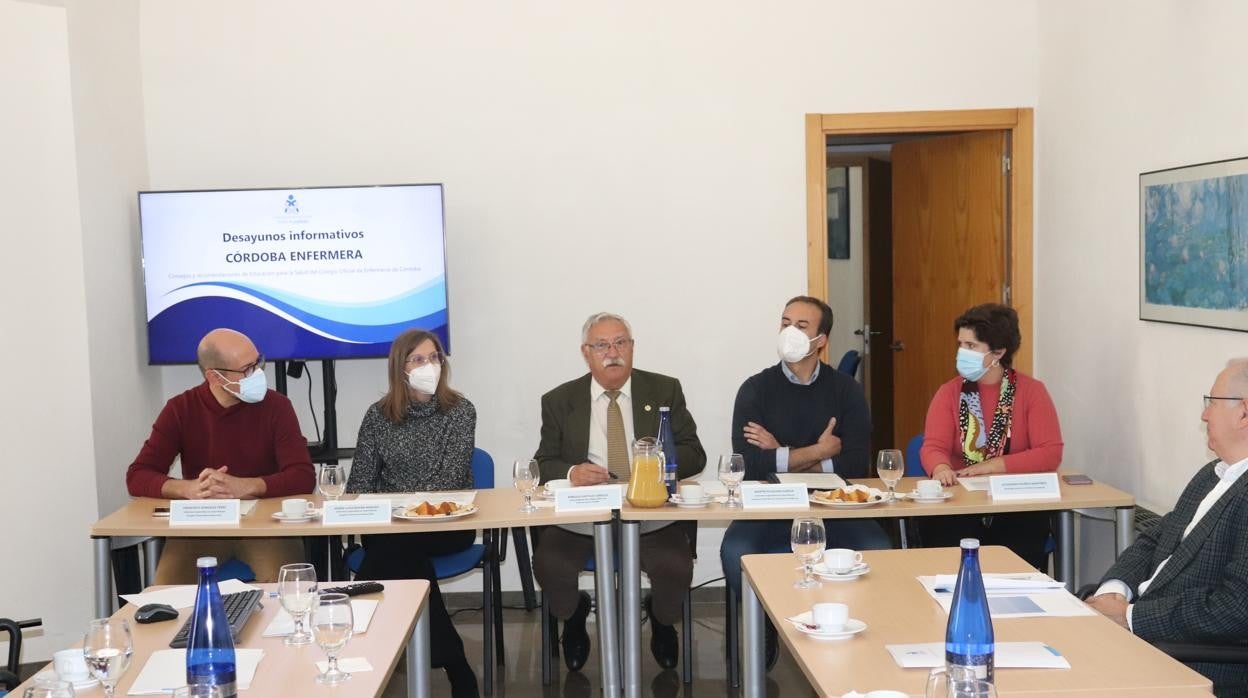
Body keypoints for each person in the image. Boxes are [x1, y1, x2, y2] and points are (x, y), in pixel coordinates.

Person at [720, 295, 890, 670]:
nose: (789, 332)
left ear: (821, 340)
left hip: (835, 506)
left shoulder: (846, 390)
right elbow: (749, 464)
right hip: (770, 506)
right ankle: (762, 622)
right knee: (735, 552)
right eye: (785, 323)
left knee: (878, 547)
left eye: (801, 326)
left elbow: (854, 463)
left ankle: (857, 627)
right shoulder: (755, 388)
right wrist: (818, 451)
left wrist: (780, 453)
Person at [533, 312, 706, 673]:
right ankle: (574, 615)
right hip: (583, 516)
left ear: (632, 347)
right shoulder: (559, 399)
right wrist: (572, 472)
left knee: (675, 566)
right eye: (601, 345)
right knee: (550, 564)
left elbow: (695, 453)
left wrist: (656, 464)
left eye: (620, 343)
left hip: (649, 514)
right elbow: (543, 463)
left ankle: (661, 619)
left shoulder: (664, 389)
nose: (612, 353)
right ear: (586, 352)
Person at [1087, 359, 1248, 697]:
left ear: (1244, 413)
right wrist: (1114, 590)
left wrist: (1131, 617)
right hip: (1142, 633)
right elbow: (1155, 538)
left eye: (1212, 402)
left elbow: (1236, 609)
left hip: (1191, 661)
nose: (1204, 415)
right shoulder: (1212, 474)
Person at [345, 329, 478, 697]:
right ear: (400, 368)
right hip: (391, 527)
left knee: (392, 553)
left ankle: (361, 655)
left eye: (434, 358)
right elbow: (359, 484)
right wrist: (394, 511)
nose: (428, 366)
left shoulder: (460, 410)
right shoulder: (378, 416)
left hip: (447, 522)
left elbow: (451, 479)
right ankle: (455, 663)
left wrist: (402, 506)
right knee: (403, 553)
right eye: (417, 359)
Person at [126, 328, 315, 584]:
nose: (257, 374)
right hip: (201, 528)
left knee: (287, 589)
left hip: (265, 526)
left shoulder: (277, 406)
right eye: (247, 369)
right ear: (214, 377)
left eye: (258, 362)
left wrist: (246, 486)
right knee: (165, 594)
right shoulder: (180, 409)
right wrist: (188, 489)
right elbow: (138, 475)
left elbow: (303, 476)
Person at [916, 303, 1063, 571]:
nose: (962, 353)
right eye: (960, 344)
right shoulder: (949, 392)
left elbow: (1050, 452)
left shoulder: (1032, 391)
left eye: (971, 346)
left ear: (998, 352)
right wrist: (941, 468)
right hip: (958, 504)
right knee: (945, 536)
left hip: (1016, 504)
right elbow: (933, 446)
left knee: (1021, 539)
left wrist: (994, 466)